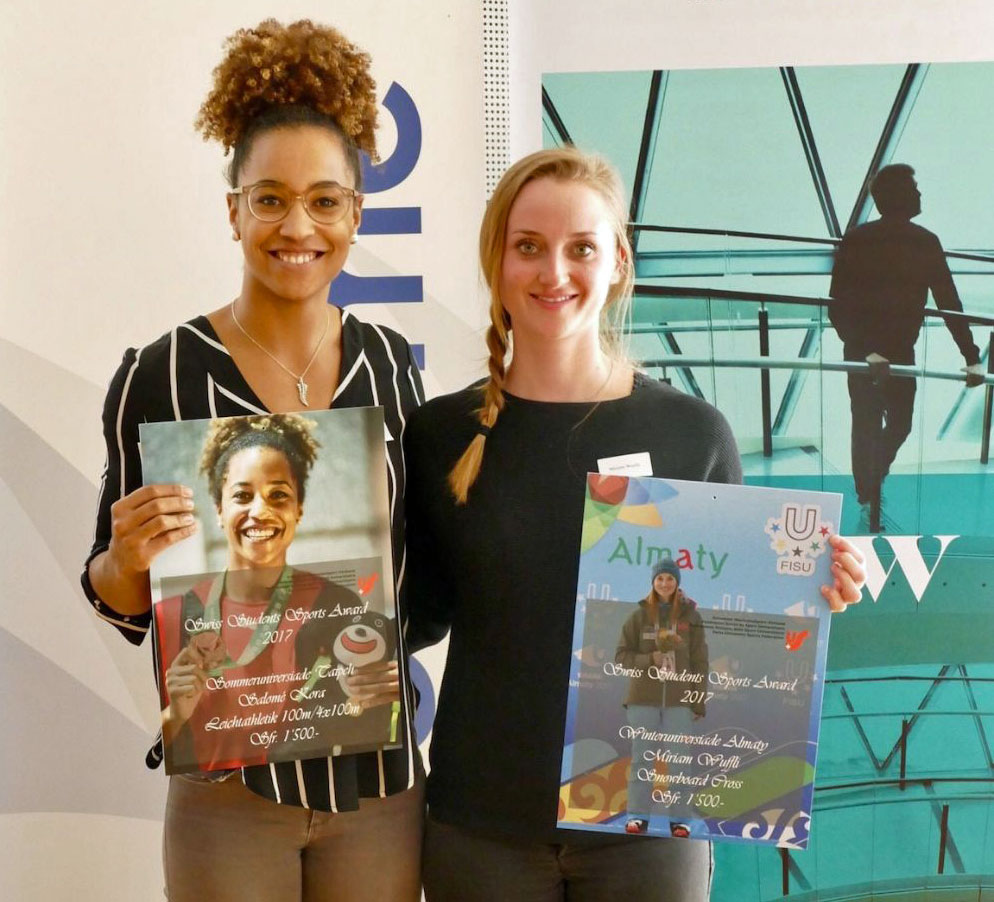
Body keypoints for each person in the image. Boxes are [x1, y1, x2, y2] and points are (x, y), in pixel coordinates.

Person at [404, 146, 865, 901]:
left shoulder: (692, 433)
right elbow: (412, 616)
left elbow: (728, 638)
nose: (554, 272)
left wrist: (805, 591)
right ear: (498, 261)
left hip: (649, 829)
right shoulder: (440, 435)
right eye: (529, 246)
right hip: (481, 826)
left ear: (618, 260)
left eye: (581, 248)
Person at [81, 20, 423, 902]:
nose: (296, 226)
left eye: (324, 201)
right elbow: (116, 596)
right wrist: (127, 558)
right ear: (232, 209)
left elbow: (417, 572)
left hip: (377, 787)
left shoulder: (391, 366)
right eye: (269, 198)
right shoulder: (158, 374)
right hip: (227, 788)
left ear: (356, 213)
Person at [157, 414, 398, 773]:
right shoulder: (170, 617)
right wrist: (175, 714)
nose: (260, 511)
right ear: (219, 510)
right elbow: (140, 748)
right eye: (242, 495)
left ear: (298, 509)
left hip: (309, 793)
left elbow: (365, 725)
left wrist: (388, 696)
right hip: (214, 801)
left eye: (279, 495)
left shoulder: (339, 607)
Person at [829, 163, 984, 525]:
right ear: (899, 196)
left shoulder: (866, 239)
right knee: (879, 423)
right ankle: (868, 492)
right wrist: (971, 355)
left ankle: (869, 485)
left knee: (884, 424)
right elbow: (949, 302)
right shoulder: (916, 241)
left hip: (878, 351)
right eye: (914, 189)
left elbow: (947, 301)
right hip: (873, 352)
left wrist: (971, 354)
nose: (919, 194)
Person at [615, 558, 707, 836]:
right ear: (653, 582)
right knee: (642, 759)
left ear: (677, 582)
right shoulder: (639, 616)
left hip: (679, 702)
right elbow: (621, 657)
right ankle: (637, 817)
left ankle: (680, 820)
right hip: (643, 700)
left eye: (670, 578)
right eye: (660, 578)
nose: (665, 583)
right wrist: (650, 659)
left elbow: (700, 662)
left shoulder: (692, 617)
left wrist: (697, 700)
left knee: (679, 762)